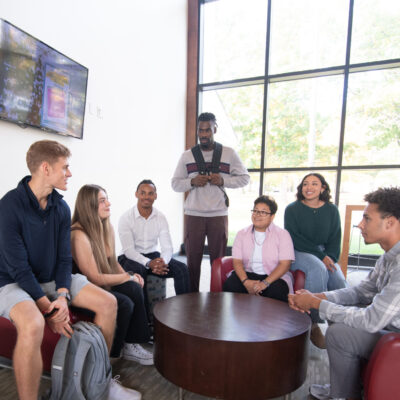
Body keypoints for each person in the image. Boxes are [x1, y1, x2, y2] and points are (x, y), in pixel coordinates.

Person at [0, 141, 139, 400]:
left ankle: (101, 382)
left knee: (109, 303)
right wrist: (48, 308)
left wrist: (62, 296)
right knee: (31, 324)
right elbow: (18, 269)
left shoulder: (61, 208)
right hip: (12, 283)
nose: (70, 173)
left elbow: (65, 260)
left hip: (52, 279)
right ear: (45, 168)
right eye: (65, 167)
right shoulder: (9, 206)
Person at [289, 187, 400, 400]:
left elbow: (372, 320)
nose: (360, 225)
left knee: (339, 333)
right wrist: (321, 297)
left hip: (393, 335)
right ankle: (346, 388)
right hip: (388, 325)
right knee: (339, 315)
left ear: (390, 222)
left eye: (367, 218)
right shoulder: (387, 258)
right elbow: (362, 292)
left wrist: (315, 304)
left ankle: (342, 396)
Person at [71, 184, 153, 367]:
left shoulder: (105, 226)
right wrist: (127, 277)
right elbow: (94, 277)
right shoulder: (78, 235)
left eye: (106, 199)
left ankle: (132, 344)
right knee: (124, 303)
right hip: (84, 289)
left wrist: (130, 276)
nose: (108, 203)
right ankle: (113, 355)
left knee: (134, 286)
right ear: (89, 206)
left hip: (99, 282)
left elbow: (113, 262)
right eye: (102, 201)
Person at [171, 112, 250, 292]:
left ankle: (218, 299)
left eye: (208, 130)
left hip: (218, 214)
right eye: (201, 130)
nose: (204, 134)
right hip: (194, 214)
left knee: (218, 261)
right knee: (192, 262)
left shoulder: (229, 154)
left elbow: (245, 178)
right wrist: (192, 182)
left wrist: (223, 180)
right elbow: (175, 184)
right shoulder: (187, 156)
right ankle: (192, 299)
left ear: (215, 129)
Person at [284, 173, 347, 348]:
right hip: (298, 250)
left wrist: (331, 259)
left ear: (323, 188)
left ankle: (340, 321)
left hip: (325, 252)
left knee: (339, 279)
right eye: (305, 184)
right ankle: (312, 323)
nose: (309, 187)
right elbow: (294, 238)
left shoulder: (331, 210)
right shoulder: (292, 209)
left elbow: (335, 238)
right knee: (318, 268)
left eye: (314, 184)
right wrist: (322, 257)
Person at [118, 180, 190, 311]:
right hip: (130, 257)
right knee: (139, 271)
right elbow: (129, 250)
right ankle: (145, 320)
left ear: (155, 196)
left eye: (150, 193)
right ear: (136, 194)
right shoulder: (126, 218)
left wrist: (162, 262)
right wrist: (149, 263)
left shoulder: (160, 217)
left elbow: (167, 247)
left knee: (182, 269)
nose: (146, 197)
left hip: (153, 255)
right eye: (143, 193)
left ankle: (185, 312)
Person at [223, 195, 295, 302]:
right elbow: (237, 261)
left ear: (272, 216)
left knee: (277, 290)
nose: (257, 215)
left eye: (263, 212)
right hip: (247, 274)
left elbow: (285, 264)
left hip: (273, 277)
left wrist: (264, 283)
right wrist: (246, 282)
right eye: (255, 211)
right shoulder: (242, 234)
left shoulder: (283, 235)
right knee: (231, 284)